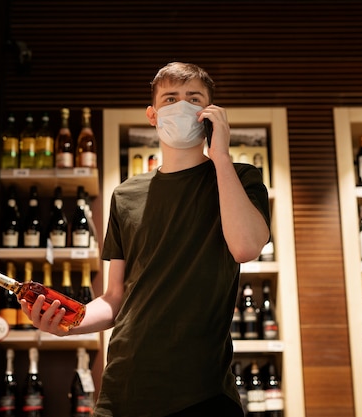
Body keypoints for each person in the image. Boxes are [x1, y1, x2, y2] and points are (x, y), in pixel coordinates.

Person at [19, 62, 271, 417]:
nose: (181, 106)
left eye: (193, 98)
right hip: (121, 390)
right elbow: (114, 299)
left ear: (211, 114)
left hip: (200, 393)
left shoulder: (240, 178)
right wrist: (66, 325)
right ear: (153, 116)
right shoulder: (125, 195)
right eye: (170, 98)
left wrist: (221, 157)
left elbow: (246, 246)